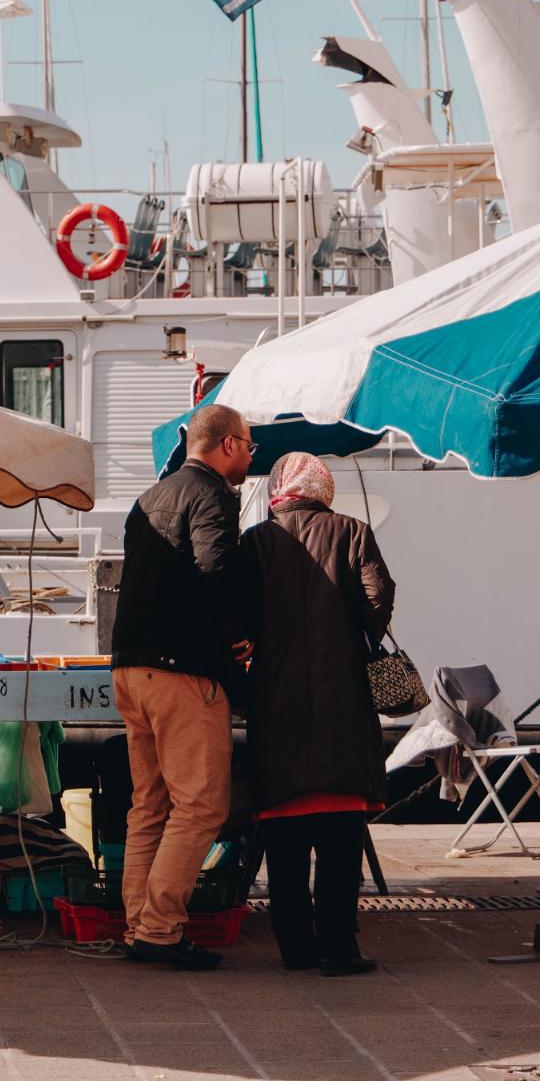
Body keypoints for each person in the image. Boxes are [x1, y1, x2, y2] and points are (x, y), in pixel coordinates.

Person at [109, 402, 258, 970]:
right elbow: (216, 566)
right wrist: (240, 631)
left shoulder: (149, 496)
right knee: (200, 806)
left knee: (150, 803)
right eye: (247, 444)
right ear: (225, 445)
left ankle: (138, 926)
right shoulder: (212, 495)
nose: (248, 455)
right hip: (180, 670)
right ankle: (159, 929)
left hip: (129, 667)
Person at [242, 451, 395, 977]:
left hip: (275, 711)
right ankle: (338, 949)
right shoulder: (353, 532)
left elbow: (236, 615)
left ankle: (295, 948)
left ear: (282, 488)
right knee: (338, 844)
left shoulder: (257, 542)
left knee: (284, 845)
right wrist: (352, 626)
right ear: (323, 488)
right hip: (343, 711)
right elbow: (379, 597)